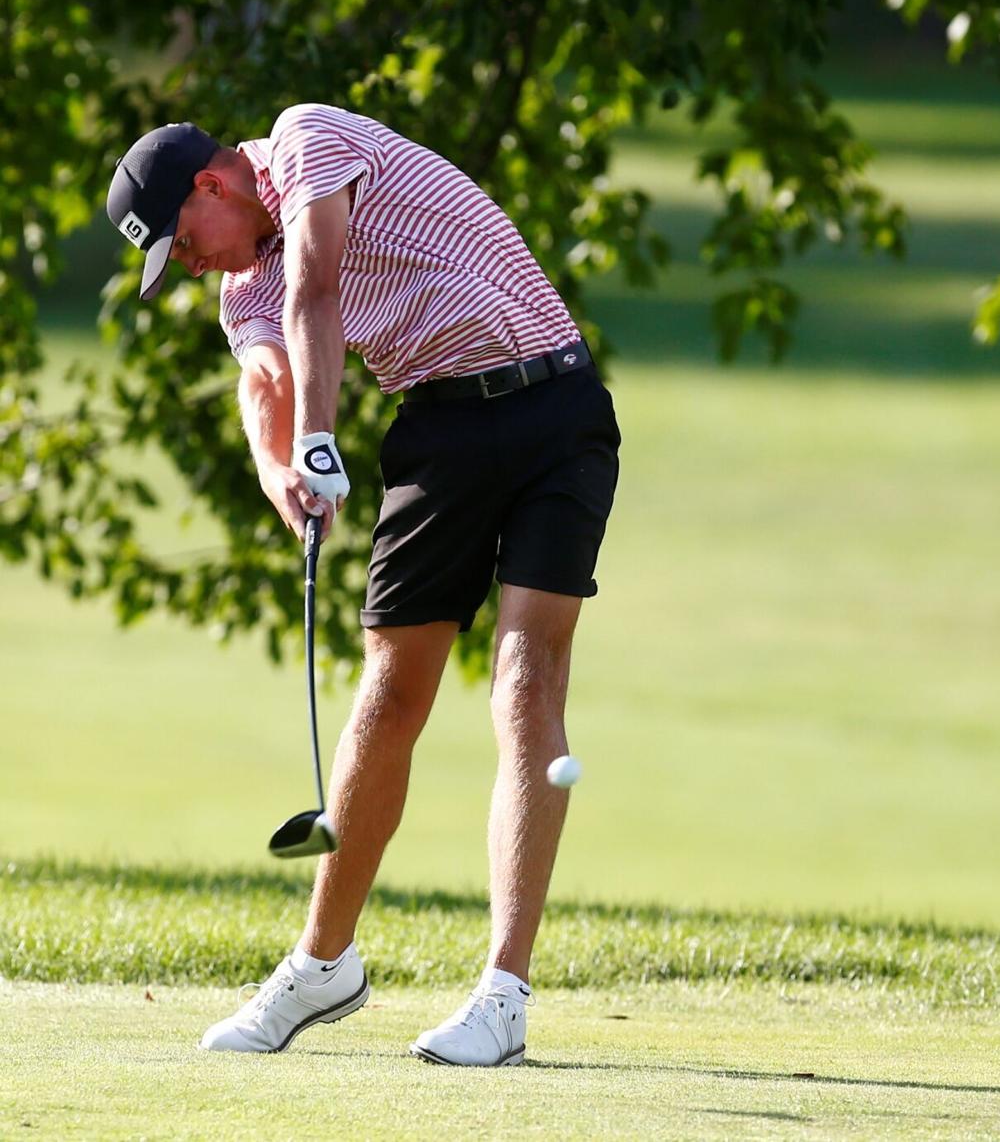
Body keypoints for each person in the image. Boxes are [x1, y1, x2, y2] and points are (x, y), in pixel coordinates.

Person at [105, 104, 621, 1065]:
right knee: (387, 698)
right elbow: (264, 375)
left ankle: (503, 997)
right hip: (439, 430)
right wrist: (280, 471)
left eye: (183, 244)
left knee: (525, 682)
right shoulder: (241, 290)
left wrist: (320, 433)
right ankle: (322, 964)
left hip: (555, 407)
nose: (190, 264)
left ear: (212, 186)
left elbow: (317, 282)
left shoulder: (306, 140)